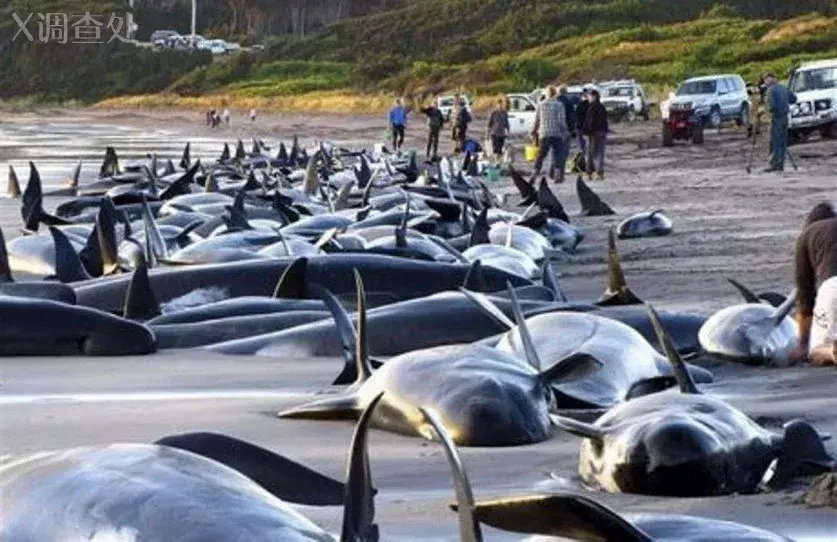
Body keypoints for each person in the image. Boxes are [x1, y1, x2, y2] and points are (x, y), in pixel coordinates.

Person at [790, 202, 837, 367]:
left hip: (832, 286)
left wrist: (802, 346)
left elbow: (805, 299)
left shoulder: (806, 235)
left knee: (815, 353)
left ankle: (831, 351)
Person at [530, 86, 570, 183]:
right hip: (557, 134)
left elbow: (537, 120)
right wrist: (565, 132)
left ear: (546, 94)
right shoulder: (559, 105)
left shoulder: (540, 105)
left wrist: (534, 131)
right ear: (555, 94)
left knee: (541, 155)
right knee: (558, 155)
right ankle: (557, 176)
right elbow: (561, 120)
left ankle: (534, 172)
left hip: (544, 133)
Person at [763, 72, 797, 173]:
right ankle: (780, 163)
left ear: (769, 79)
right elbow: (793, 99)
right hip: (785, 117)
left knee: (776, 141)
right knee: (783, 141)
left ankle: (775, 164)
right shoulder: (783, 87)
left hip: (777, 117)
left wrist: (765, 111)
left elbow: (772, 106)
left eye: (765, 79)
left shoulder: (771, 90)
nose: (765, 82)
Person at [583, 89, 608, 180]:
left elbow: (590, 121)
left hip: (593, 133)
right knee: (598, 153)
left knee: (593, 153)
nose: (588, 98)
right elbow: (605, 119)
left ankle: (594, 172)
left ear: (594, 96)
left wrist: (586, 131)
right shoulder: (602, 106)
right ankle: (595, 172)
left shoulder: (592, 107)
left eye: (589, 96)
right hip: (601, 132)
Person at [486, 97, 510, 162]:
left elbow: (507, 123)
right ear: (496, 105)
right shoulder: (493, 113)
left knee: (500, 150)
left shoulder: (504, 113)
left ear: (502, 104)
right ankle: (496, 161)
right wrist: (487, 134)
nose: (500, 106)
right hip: (494, 134)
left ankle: (498, 161)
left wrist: (508, 132)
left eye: (501, 104)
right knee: (495, 150)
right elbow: (489, 124)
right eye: (498, 104)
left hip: (502, 134)